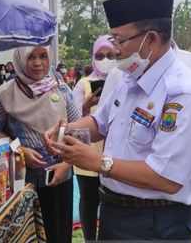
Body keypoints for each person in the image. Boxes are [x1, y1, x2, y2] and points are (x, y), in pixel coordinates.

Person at [44, 0, 191, 240]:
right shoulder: (129, 79)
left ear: (151, 39)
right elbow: (99, 122)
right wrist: (67, 130)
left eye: (120, 40)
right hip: (115, 212)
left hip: (156, 223)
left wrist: (97, 162)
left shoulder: (184, 95)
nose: (114, 50)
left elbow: (167, 178)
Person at [0, 46, 80, 243]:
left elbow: (77, 132)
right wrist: (18, 149)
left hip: (60, 177)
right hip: (24, 180)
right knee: (27, 235)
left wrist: (66, 165)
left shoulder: (62, 90)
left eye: (43, 56)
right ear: (20, 60)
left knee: (58, 233)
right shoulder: (4, 94)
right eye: (31, 57)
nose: (38, 62)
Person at [71, 35, 116, 241]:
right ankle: (90, 238)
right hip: (87, 150)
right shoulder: (83, 84)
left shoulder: (123, 80)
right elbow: (71, 116)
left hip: (114, 153)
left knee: (111, 199)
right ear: (93, 57)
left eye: (109, 55)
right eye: (100, 55)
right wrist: (86, 106)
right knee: (88, 199)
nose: (105, 59)